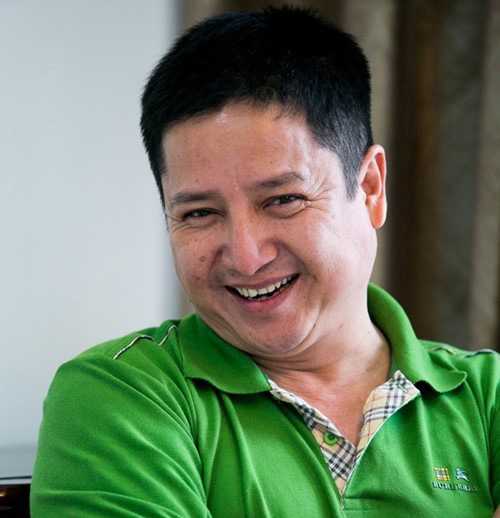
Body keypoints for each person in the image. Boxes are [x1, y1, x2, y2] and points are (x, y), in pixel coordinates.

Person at [31, 6, 499, 517]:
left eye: (283, 200)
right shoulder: (120, 395)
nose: (246, 256)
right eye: (200, 213)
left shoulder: (488, 396)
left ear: (369, 189)